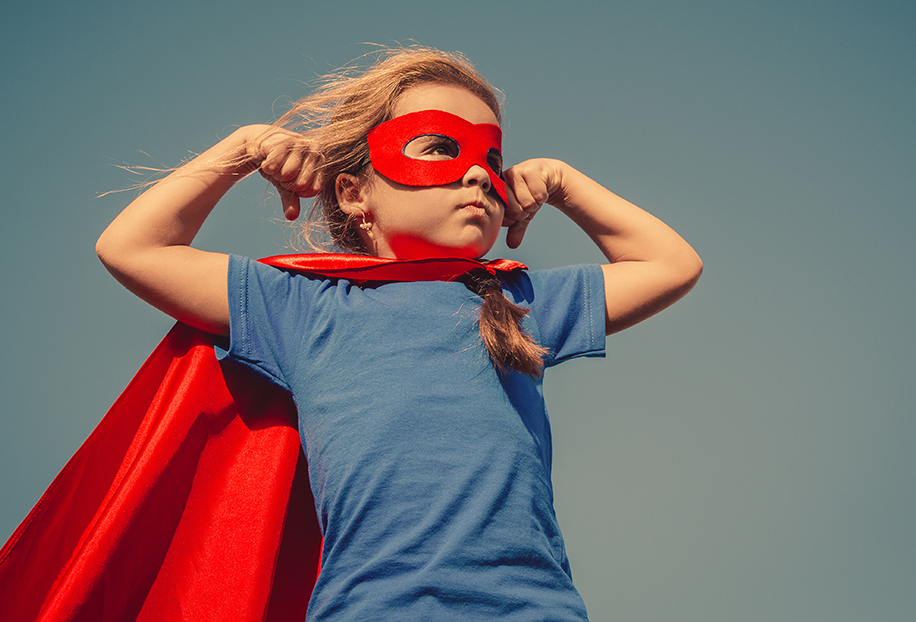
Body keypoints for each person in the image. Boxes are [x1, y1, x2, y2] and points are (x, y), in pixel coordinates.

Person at [94, 46, 702, 621]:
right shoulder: (303, 307)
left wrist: (563, 182)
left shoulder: (517, 303)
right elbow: (133, 248)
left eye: (492, 160)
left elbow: (672, 265)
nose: (478, 174)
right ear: (354, 193)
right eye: (438, 147)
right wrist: (244, 147)